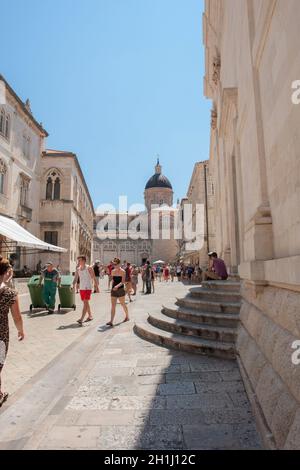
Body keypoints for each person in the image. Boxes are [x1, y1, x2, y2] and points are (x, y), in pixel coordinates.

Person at [0, 258, 24, 407]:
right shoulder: (10, 293)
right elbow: (17, 317)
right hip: (1, 336)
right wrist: (21, 331)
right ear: (7, 272)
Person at [73, 256, 99, 326]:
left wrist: (96, 287)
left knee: (85, 302)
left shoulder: (89, 268)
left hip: (88, 287)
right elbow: (75, 278)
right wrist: (73, 285)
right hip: (82, 288)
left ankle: (81, 318)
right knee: (86, 302)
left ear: (84, 261)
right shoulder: (78, 269)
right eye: (78, 260)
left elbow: (93, 277)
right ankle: (90, 316)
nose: (78, 262)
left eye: (80, 260)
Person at [107, 258, 129, 327]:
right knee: (113, 306)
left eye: (115, 264)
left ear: (119, 264)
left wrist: (117, 286)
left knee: (122, 304)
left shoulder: (123, 271)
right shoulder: (113, 271)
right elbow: (113, 280)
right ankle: (111, 321)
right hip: (114, 290)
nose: (114, 265)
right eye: (113, 264)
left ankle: (127, 316)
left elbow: (122, 282)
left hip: (120, 289)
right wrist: (112, 287)